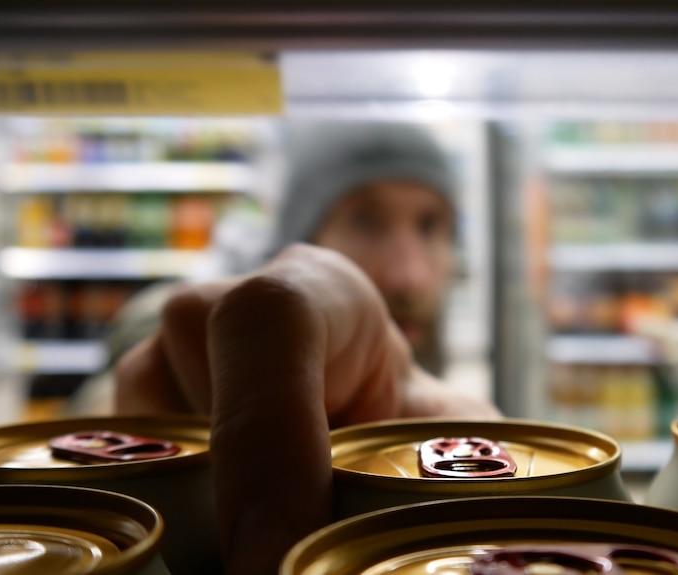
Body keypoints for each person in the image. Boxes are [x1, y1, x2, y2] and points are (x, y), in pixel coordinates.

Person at [81, 121, 501, 574]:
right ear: (303, 239)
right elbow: (150, 348)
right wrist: (172, 407)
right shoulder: (204, 332)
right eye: (364, 220)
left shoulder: (440, 392)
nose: (409, 277)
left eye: (430, 224)